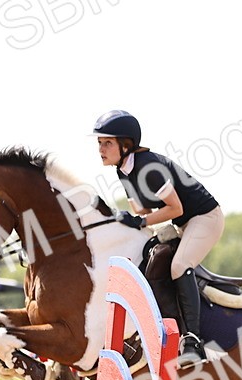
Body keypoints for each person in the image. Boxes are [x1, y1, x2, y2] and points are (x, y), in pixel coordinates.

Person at [93, 109, 221, 364]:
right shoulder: (124, 169)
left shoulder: (148, 167)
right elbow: (141, 210)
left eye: (107, 142)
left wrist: (139, 220)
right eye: (99, 143)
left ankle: (193, 341)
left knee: (179, 265)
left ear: (126, 145)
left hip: (206, 219)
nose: (101, 149)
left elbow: (176, 208)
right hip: (185, 224)